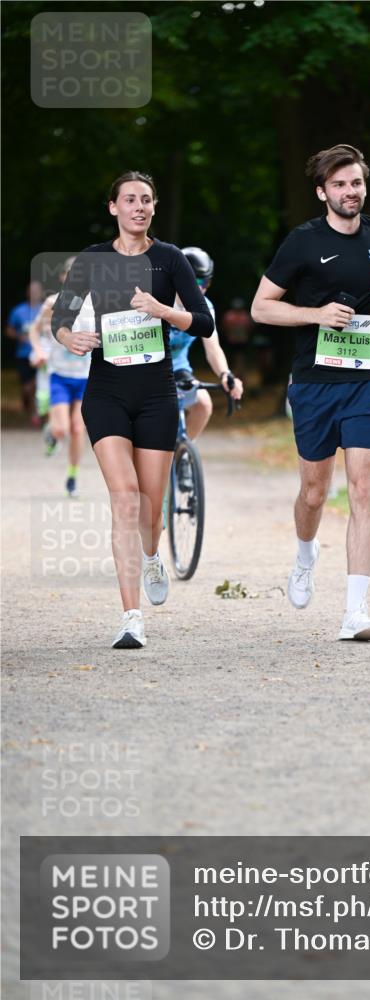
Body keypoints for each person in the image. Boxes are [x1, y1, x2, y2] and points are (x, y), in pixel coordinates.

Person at [251, 143, 370, 641]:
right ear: (323, 192)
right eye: (340, 185)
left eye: (356, 183)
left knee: (364, 488)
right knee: (314, 491)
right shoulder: (302, 242)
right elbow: (261, 307)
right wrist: (315, 315)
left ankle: (355, 611)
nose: (350, 192)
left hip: (369, 381)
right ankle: (305, 554)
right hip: (316, 383)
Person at [51, 171, 214, 649]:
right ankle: (130, 616)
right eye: (130, 200)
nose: (139, 207)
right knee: (123, 498)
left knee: (148, 509)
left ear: (154, 208)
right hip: (106, 393)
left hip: (157, 396)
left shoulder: (168, 260)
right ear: (113, 208)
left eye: (146, 200)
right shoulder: (93, 260)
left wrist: (164, 310)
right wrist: (70, 337)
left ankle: (152, 555)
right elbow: (62, 317)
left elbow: (203, 321)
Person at [28, 257, 93, 497]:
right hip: (60, 376)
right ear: (64, 278)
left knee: (78, 429)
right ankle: (51, 431)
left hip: (85, 378)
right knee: (61, 430)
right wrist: (37, 351)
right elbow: (34, 332)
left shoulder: (96, 305)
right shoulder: (52, 303)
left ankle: (72, 477)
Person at [169, 246, 243, 441]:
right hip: (149, 367)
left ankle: (182, 454)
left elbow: (213, 348)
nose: (199, 288)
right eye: (194, 281)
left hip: (177, 368)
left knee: (203, 405)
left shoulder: (205, 308)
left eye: (205, 282)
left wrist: (225, 374)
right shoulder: (158, 299)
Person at [6, 281, 44, 426]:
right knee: (26, 388)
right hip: (23, 355)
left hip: (41, 355)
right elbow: (9, 330)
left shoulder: (45, 309)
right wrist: (18, 336)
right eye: (31, 290)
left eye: (37, 290)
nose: (34, 293)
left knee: (36, 385)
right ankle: (29, 407)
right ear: (27, 292)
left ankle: (36, 415)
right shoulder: (18, 311)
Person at [220, 297, 252, 382]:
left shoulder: (230, 315)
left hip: (236, 340)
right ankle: (237, 375)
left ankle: (237, 375)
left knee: (238, 358)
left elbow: (225, 327)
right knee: (238, 358)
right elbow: (249, 328)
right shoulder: (244, 315)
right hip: (238, 340)